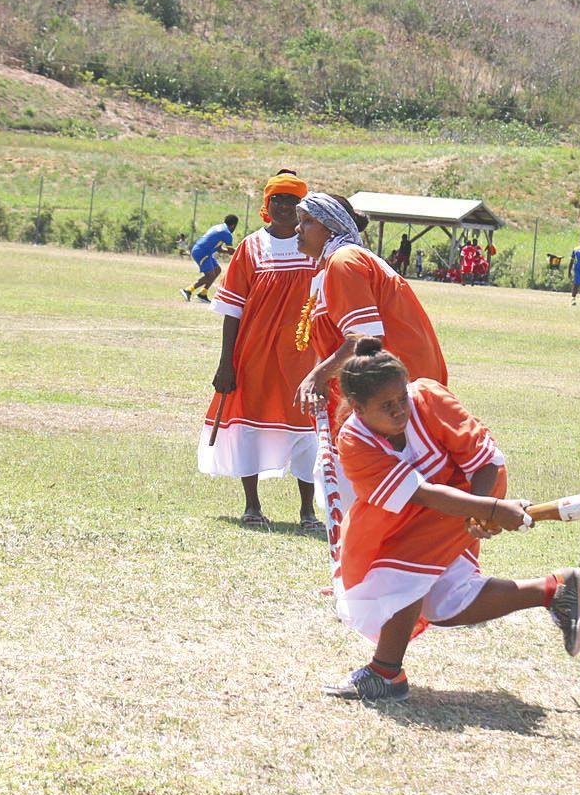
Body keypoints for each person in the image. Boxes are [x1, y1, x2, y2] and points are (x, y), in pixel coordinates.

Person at [322, 339, 580, 702]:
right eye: (387, 406)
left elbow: (486, 461)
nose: (400, 411)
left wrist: (484, 505)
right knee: (444, 602)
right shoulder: (354, 441)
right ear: (358, 408)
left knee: (401, 570)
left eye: (402, 399)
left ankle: (386, 673)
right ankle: (553, 590)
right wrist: (488, 511)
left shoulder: (428, 398)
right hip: (416, 507)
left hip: (478, 485)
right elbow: (421, 494)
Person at [203, 170, 322, 530]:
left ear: (304, 208)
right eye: (277, 199)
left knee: (307, 429)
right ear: (266, 206)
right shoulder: (251, 248)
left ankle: (308, 512)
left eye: (293, 200)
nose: (285, 206)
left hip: (303, 355)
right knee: (250, 426)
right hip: (254, 354)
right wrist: (227, 362)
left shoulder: (315, 248)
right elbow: (232, 309)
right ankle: (252, 507)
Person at [293, 192, 448, 464]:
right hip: (388, 391)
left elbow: (365, 341)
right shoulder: (335, 265)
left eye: (306, 221)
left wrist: (316, 376)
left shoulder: (344, 262)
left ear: (330, 228)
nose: (298, 228)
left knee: (384, 493)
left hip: (392, 394)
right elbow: (338, 339)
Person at [183, 213, 239, 303]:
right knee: (210, 275)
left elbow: (219, 249)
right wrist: (242, 250)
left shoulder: (219, 227)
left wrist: (234, 250)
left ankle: (203, 294)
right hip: (202, 252)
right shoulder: (227, 233)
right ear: (233, 225)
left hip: (203, 251)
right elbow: (231, 251)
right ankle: (188, 290)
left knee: (217, 270)